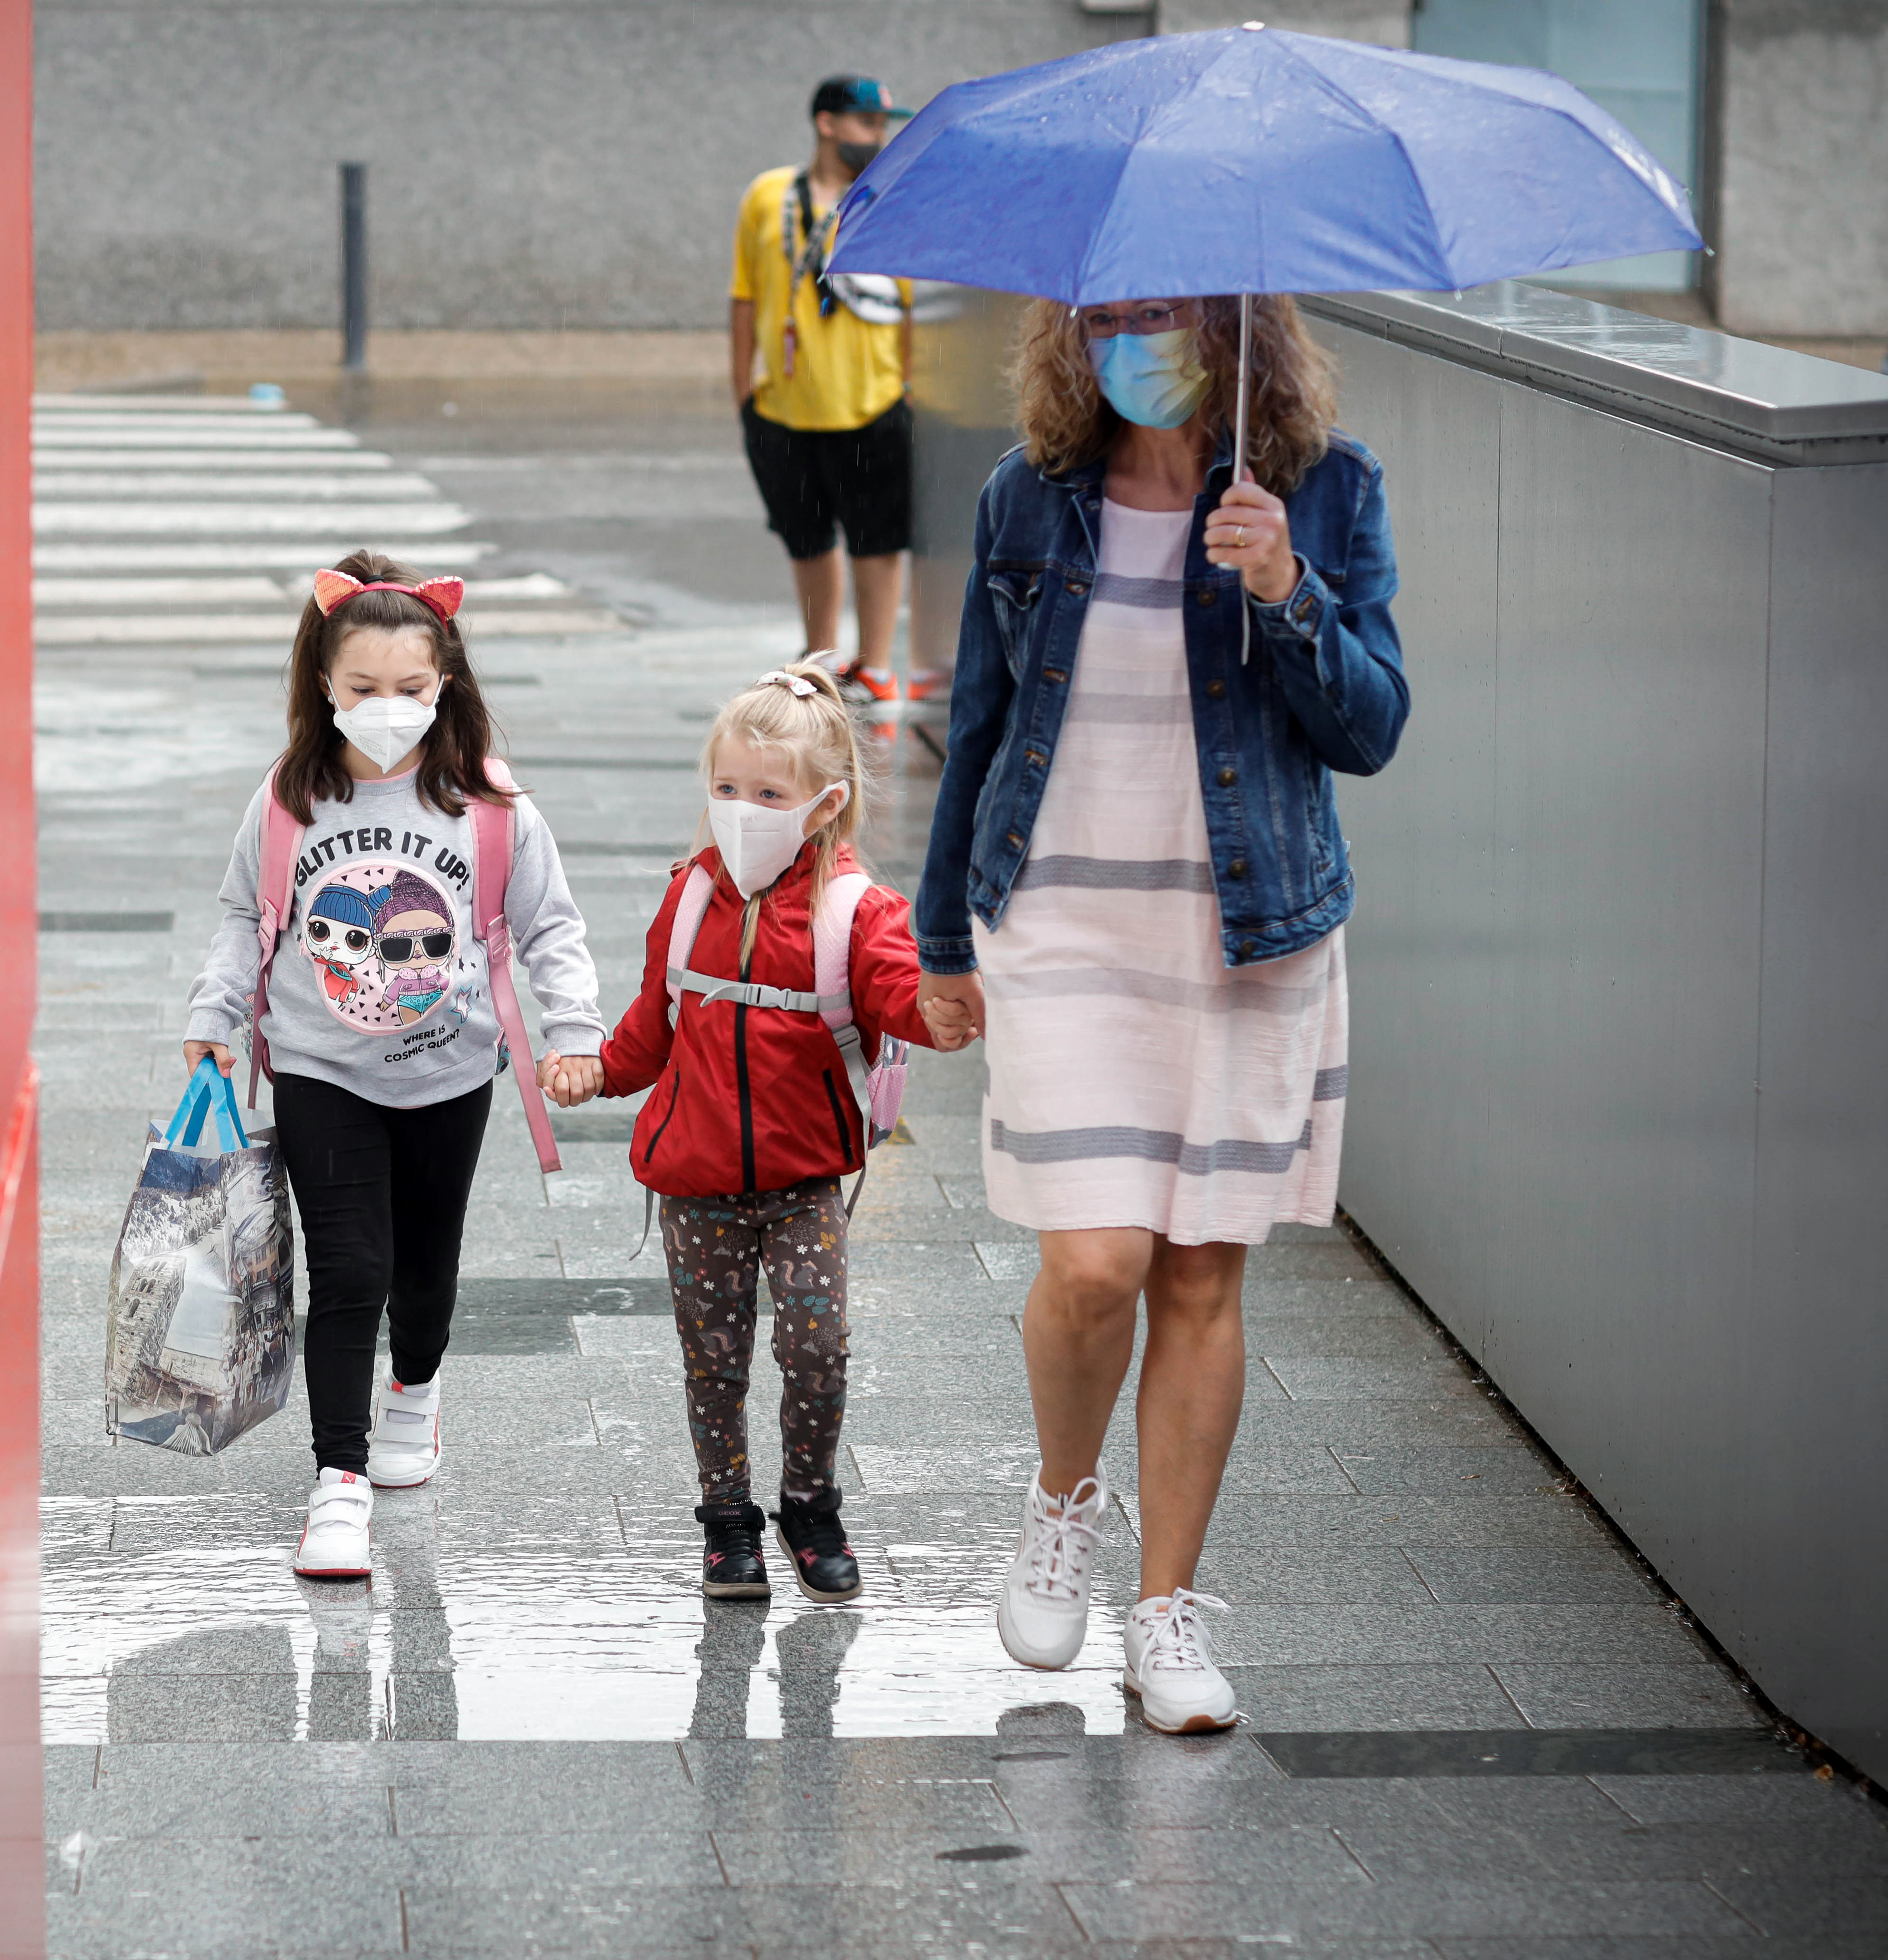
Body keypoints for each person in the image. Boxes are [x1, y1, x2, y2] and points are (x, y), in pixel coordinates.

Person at [914, 295, 1408, 1733]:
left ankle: (1165, 1604)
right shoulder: (1028, 494)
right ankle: (1062, 1498)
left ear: (1230, 324)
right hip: (1060, 915)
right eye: (1108, 311)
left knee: (1197, 1271)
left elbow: (1371, 727)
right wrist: (939, 936)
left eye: (1163, 310)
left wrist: (1284, 591)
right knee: (1093, 1260)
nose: (1135, 336)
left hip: (1243, 931)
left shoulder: (1325, 486)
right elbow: (981, 721)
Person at [184, 550, 605, 1581]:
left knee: (423, 1275)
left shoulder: (490, 805)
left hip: (451, 1069)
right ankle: (339, 1483)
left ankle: (415, 1393)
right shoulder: (291, 798)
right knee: (350, 1274)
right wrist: (218, 1014)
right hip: (321, 1067)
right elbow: (248, 916)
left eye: (410, 689)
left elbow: (549, 925)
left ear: (445, 682)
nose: (386, 708)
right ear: (323, 684)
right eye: (363, 688)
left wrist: (575, 1031)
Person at [598, 663, 936, 1604]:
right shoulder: (692, 897)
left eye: (768, 795)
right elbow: (651, 1025)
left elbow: (904, 999)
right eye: (727, 790)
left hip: (803, 1184)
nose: (741, 810)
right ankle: (727, 1522)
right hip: (695, 1182)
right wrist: (595, 1070)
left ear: (825, 805)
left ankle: (810, 1504)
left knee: (817, 1344)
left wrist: (948, 1007)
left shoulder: (856, 912)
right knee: (713, 1360)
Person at [730, 76, 917, 741]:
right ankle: (819, 662)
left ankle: (877, 666)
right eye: (867, 122)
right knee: (805, 539)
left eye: (882, 124)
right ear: (827, 124)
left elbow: (911, 303)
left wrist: (909, 386)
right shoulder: (767, 196)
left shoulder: (889, 197)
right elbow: (746, 294)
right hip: (784, 405)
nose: (878, 136)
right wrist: (741, 389)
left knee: (877, 540)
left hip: (871, 400)